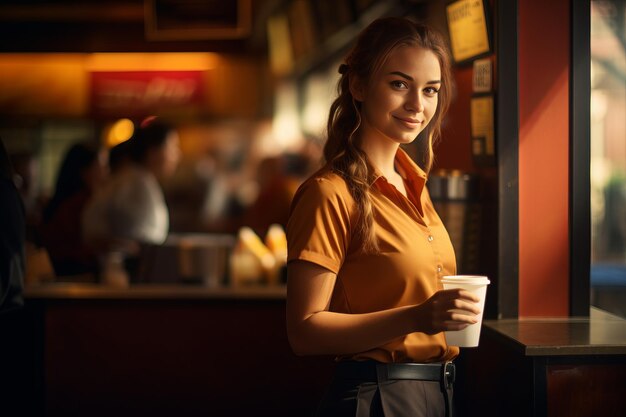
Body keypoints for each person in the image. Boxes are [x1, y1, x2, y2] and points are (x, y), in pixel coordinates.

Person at [285, 17, 481, 417]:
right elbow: (303, 331)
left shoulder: (415, 185)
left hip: (437, 392)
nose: (417, 105)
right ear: (358, 86)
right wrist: (419, 316)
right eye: (399, 84)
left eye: (430, 90)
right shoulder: (330, 193)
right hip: (376, 398)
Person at [82, 117, 181, 278]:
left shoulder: (134, 179)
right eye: (173, 147)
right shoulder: (137, 185)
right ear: (153, 151)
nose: (177, 155)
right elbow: (141, 241)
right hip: (125, 276)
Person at [39, 142, 108, 277]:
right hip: (72, 275)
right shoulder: (79, 204)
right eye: (101, 167)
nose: (106, 172)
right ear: (84, 172)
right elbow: (71, 248)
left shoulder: (73, 201)